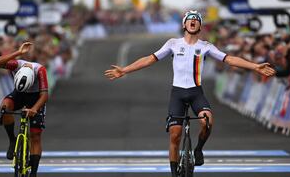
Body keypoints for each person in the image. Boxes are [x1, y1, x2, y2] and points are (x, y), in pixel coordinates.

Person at [104, 10, 276, 177]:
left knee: (207, 121)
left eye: (196, 20)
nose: (193, 21)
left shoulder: (206, 46)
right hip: (178, 93)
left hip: (196, 92)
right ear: (184, 24)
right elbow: (149, 59)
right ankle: (173, 173)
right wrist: (125, 70)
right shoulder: (173, 43)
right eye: (190, 19)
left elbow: (229, 59)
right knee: (175, 134)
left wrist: (255, 66)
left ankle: (199, 149)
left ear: (199, 25)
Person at [0, 41, 48, 177]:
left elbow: (45, 95)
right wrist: (18, 53)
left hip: (36, 98)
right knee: (5, 107)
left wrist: (34, 109)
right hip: (19, 94)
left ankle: (33, 173)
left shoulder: (40, 70)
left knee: (35, 136)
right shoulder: (16, 65)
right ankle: (12, 139)